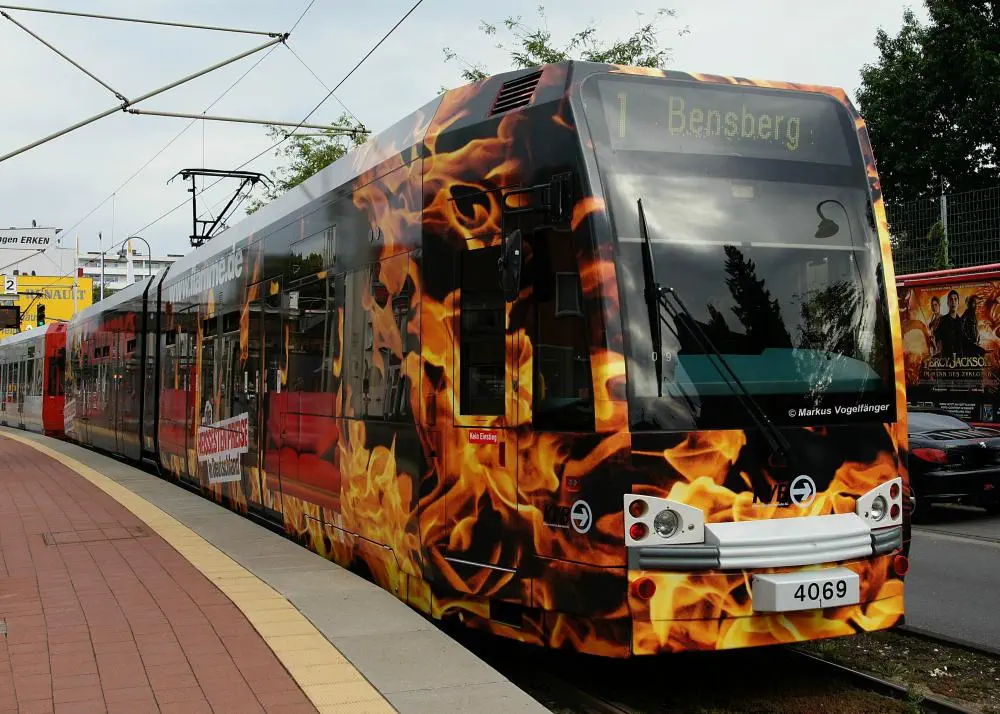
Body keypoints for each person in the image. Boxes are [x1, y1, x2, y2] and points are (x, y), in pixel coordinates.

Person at [934, 290, 964, 357]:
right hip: (946, 359)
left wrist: (982, 351)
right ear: (948, 303)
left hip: (959, 360)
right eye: (951, 299)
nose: (953, 302)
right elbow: (936, 337)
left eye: (955, 299)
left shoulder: (961, 322)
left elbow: (966, 341)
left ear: (958, 303)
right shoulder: (942, 321)